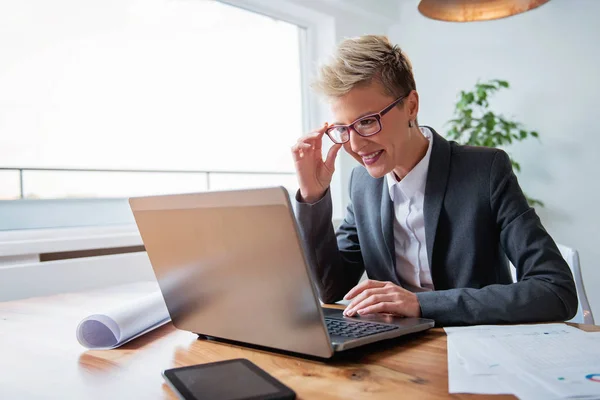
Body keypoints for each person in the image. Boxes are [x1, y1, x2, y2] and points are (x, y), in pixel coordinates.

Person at [291, 35, 577, 326]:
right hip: (397, 353)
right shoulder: (362, 184)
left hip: (481, 350)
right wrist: (313, 197)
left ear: (411, 106)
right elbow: (331, 288)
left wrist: (421, 304)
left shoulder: (485, 170)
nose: (354, 144)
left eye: (366, 122)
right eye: (342, 128)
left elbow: (556, 290)